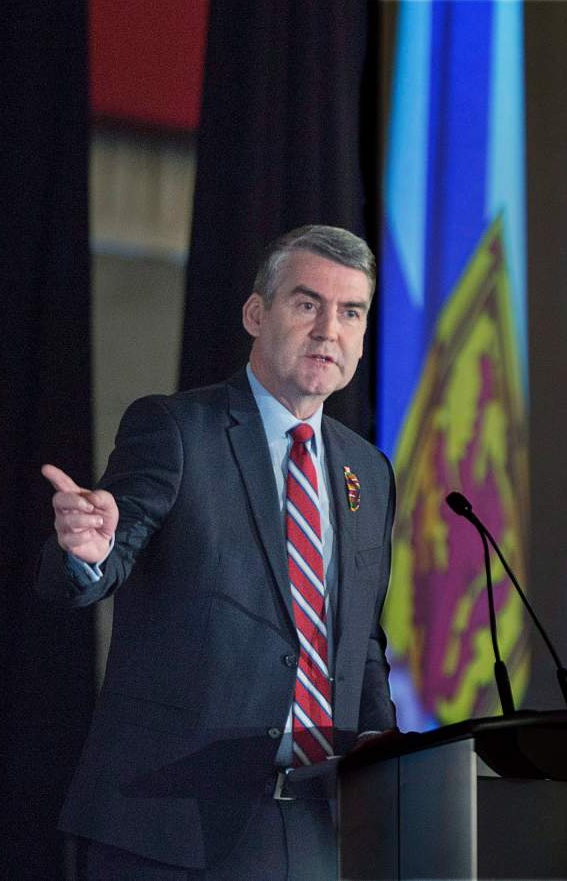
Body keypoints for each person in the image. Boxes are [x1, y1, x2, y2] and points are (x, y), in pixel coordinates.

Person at [35, 225, 396, 880]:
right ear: (257, 314)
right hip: (171, 829)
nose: (329, 330)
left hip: (317, 828)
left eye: (351, 312)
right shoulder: (177, 430)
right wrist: (93, 550)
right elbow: (103, 568)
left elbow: (360, 639)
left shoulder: (366, 472)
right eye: (307, 304)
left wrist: (380, 742)